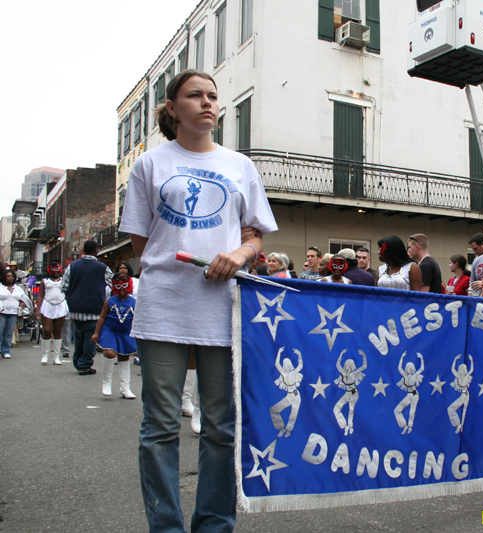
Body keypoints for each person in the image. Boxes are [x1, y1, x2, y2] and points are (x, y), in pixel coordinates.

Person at [119, 69, 277, 532]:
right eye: (195, 95)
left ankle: (214, 524)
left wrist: (238, 255)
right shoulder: (149, 165)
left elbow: (255, 236)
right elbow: (141, 242)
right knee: (160, 426)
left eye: (212, 95)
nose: (207, 102)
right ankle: (165, 526)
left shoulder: (240, 166)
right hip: (163, 305)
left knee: (221, 427)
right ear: (173, 108)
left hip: (222, 308)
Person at [62, 240, 113, 375]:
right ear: (96, 250)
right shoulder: (103, 268)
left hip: (76, 308)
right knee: (91, 338)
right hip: (94, 308)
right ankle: (84, 364)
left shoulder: (72, 266)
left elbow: (64, 286)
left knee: (78, 336)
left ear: (83, 250)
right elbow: (113, 284)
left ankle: (78, 361)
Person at [91, 273, 137, 399]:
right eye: (118, 287)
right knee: (110, 353)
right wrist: (96, 332)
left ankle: (125, 387)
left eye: (124, 287)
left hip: (126, 332)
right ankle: (107, 382)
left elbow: (138, 320)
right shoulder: (110, 301)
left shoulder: (134, 302)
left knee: (124, 356)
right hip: (110, 330)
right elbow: (102, 317)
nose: (121, 291)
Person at [35, 260, 69, 365]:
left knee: (58, 331)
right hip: (47, 305)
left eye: (57, 269)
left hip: (61, 305)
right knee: (47, 330)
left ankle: (56, 357)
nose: (55, 272)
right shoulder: (44, 281)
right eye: (53, 269)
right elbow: (40, 296)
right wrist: (37, 309)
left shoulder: (64, 281)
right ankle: (45, 355)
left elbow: (68, 294)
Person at [1, 271, 30, 359]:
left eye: (11, 276)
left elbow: (24, 298)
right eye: (8, 276)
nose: (10, 278)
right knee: (0, 331)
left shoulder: (17, 288)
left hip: (13, 313)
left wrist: (23, 303)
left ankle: (6, 351)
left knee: (9, 333)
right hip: (2, 313)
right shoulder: (1, 287)